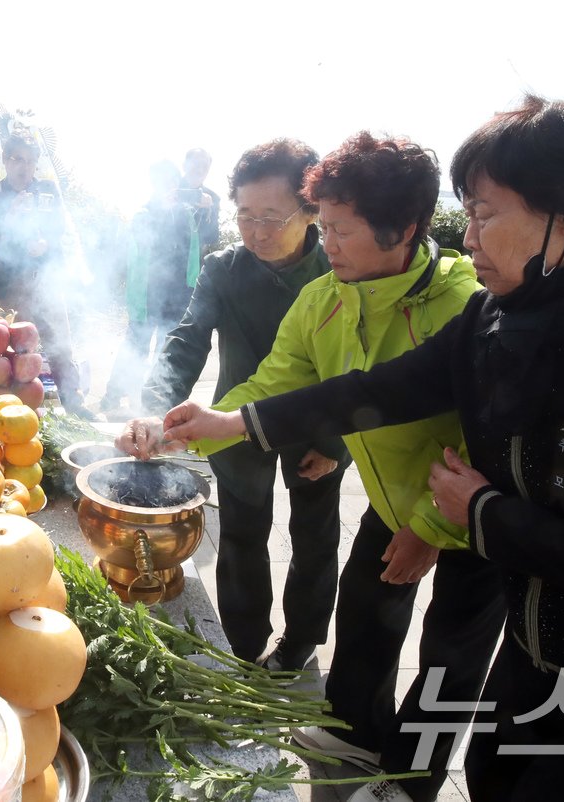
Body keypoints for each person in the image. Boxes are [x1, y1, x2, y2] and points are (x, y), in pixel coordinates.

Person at [161, 96, 564, 802]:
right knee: (492, 776)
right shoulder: (498, 316)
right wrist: (236, 422)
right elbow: (381, 389)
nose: (469, 238)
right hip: (545, 637)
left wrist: (479, 512)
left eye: (485, 213)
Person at [123, 132, 501, 802]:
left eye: (338, 229)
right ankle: (353, 753)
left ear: (403, 228)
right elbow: (274, 381)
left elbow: (488, 432)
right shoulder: (324, 295)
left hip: (468, 513)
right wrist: (200, 428)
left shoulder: (463, 306)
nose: (324, 242)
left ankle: (410, 783)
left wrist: (430, 526)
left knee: (450, 653)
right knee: (364, 631)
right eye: (321, 226)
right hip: (391, 505)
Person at [118, 139, 350, 669]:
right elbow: (187, 338)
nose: (258, 233)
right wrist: (156, 408)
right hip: (234, 423)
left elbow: (356, 365)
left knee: (314, 535)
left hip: (317, 424)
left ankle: (302, 641)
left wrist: (336, 443)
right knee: (243, 536)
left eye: (274, 216)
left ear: (310, 208)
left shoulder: (338, 269)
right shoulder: (224, 269)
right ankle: (243, 646)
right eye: (245, 216)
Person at [0, 131, 87, 414]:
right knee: (15, 352)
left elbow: (58, 228)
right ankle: (14, 411)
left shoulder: (48, 190)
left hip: (46, 280)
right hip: (11, 287)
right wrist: (10, 218)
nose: (24, 167)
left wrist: (45, 244)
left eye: (30, 161)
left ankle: (75, 404)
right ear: (5, 160)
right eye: (17, 160)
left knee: (60, 342)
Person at [102, 161, 203, 415]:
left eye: (171, 181)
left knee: (166, 350)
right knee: (135, 344)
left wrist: (207, 209)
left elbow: (203, 241)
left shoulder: (187, 213)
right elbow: (137, 240)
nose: (167, 186)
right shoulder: (145, 213)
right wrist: (160, 212)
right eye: (162, 181)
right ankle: (112, 396)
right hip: (149, 295)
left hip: (178, 293)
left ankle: (156, 404)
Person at [180, 147, 221, 257]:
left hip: (194, 264)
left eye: (205, 166)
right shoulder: (170, 187)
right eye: (196, 164)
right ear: (184, 165)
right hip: (162, 261)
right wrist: (190, 197)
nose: (200, 170)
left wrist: (209, 211)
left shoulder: (213, 198)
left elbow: (212, 238)